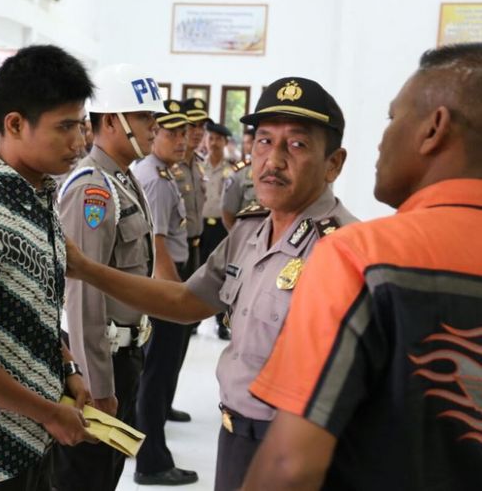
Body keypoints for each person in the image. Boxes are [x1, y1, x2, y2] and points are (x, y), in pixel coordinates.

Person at [65, 77, 357, 490]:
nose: (272, 160)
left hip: (295, 450)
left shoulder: (345, 249)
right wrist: (88, 269)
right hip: (235, 433)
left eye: (296, 145)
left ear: (334, 163)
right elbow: (187, 300)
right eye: (263, 141)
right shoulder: (250, 231)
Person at [243, 43, 482, 491]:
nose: (381, 139)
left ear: (434, 129)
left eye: (393, 119)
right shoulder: (257, 227)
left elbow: (290, 466)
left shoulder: (363, 256)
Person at [0, 44, 97, 491]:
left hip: (37, 434)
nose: (79, 142)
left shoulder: (40, 196)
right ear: (14, 123)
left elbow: (34, 308)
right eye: (64, 127)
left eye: (81, 125)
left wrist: (67, 366)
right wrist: (50, 412)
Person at [52, 63, 162, 491]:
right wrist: (97, 382)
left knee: (106, 474)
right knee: (85, 476)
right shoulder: (92, 188)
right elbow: (81, 292)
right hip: (102, 360)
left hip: (127, 354)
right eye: (143, 117)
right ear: (112, 120)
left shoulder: (123, 180)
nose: (154, 127)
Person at [131, 99, 199, 486]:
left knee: (154, 375)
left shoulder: (162, 172)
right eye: (170, 133)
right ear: (154, 135)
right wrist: (174, 295)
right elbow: (158, 244)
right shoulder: (155, 179)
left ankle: (151, 455)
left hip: (166, 283)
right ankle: (152, 462)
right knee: (155, 377)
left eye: (181, 133)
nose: (180, 140)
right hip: (164, 287)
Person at [164, 97, 210, 421]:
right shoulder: (170, 168)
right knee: (165, 340)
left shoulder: (198, 164)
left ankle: (165, 401)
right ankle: (152, 406)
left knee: (183, 336)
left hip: (193, 248)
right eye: (190, 127)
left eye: (199, 127)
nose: (195, 133)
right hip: (172, 255)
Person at [200, 122, 234, 340]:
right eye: (210, 138)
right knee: (197, 271)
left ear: (225, 142)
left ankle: (221, 323)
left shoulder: (232, 169)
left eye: (218, 139)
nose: (213, 143)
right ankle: (192, 321)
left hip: (221, 228)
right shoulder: (198, 166)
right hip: (201, 227)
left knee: (221, 275)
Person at [221, 125, 258, 230]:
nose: (245, 146)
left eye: (248, 142)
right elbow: (227, 212)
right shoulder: (240, 171)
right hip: (246, 235)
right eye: (244, 143)